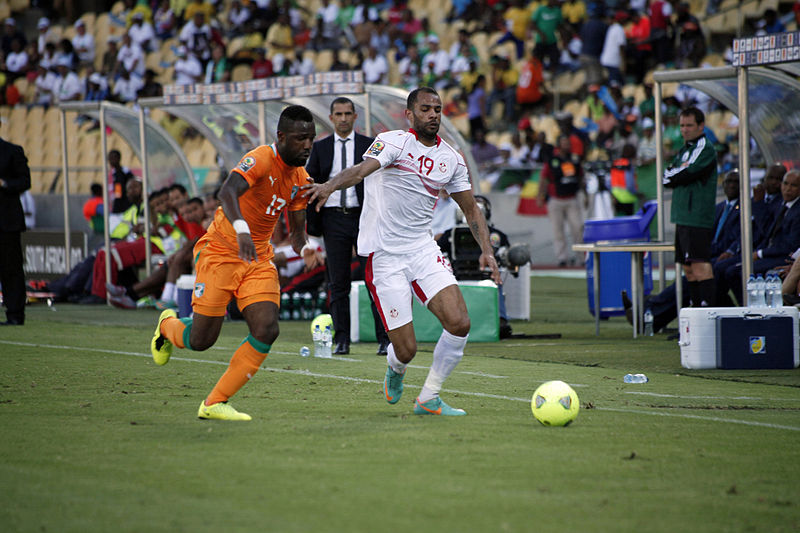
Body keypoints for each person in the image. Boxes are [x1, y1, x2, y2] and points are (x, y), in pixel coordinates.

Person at [304, 87, 501, 416]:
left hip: (423, 249)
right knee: (406, 350)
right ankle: (395, 370)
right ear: (409, 114)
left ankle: (429, 397)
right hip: (385, 255)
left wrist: (487, 251)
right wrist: (328, 186)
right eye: (425, 109)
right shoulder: (393, 141)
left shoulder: (451, 159)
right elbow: (360, 170)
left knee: (459, 322)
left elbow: (471, 209)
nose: (433, 114)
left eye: (437, 109)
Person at [149, 105, 320, 421]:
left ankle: (214, 402)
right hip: (221, 253)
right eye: (300, 139)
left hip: (257, 260)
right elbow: (227, 193)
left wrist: (306, 247)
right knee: (201, 340)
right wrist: (242, 231)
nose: (307, 146)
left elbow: (297, 232)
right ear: (281, 137)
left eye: (310, 139)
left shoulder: (301, 179)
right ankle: (167, 327)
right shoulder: (260, 158)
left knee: (267, 328)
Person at [305, 97, 390, 355]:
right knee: (337, 282)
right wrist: (313, 230)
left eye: (347, 113)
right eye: (338, 114)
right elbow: (311, 184)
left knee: (374, 279)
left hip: (364, 217)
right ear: (331, 118)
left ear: (355, 117)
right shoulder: (320, 149)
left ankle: (384, 339)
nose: (343, 118)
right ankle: (341, 339)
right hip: (333, 219)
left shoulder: (369, 146)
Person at [663, 106, 718, 307]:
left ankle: (708, 315)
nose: (684, 130)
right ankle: (695, 317)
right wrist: (675, 173)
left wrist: (676, 173)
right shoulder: (685, 149)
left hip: (696, 216)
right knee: (689, 269)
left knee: (700, 265)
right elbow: (667, 176)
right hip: (682, 216)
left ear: (701, 126)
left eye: (689, 125)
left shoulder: (704, 148)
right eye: (682, 125)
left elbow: (685, 173)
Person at [537, 135, 585, 267]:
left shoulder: (574, 159)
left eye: (568, 143)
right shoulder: (552, 160)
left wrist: (584, 194)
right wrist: (540, 196)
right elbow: (544, 179)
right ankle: (562, 258)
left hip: (572, 198)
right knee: (558, 230)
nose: (567, 146)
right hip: (555, 199)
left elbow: (581, 177)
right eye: (564, 143)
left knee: (577, 228)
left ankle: (581, 257)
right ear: (559, 145)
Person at [0, 136, 31, 325]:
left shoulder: (12, 151)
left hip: (6, 220)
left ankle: (15, 314)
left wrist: (5, 184)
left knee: (11, 268)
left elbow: (25, 181)